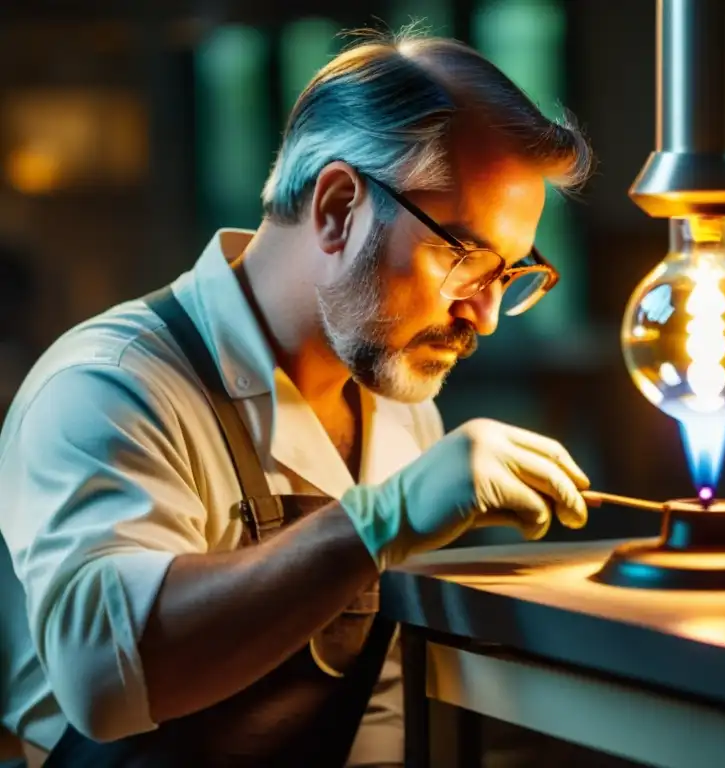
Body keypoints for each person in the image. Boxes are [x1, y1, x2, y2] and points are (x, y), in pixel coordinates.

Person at [0, 28, 594, 768]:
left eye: (510, 273)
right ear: (340, 206)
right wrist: (381, 521)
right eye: (465, 257)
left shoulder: (402, 407)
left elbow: (378, 711)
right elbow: (106, 677)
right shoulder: (107, 387)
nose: (485, 315)